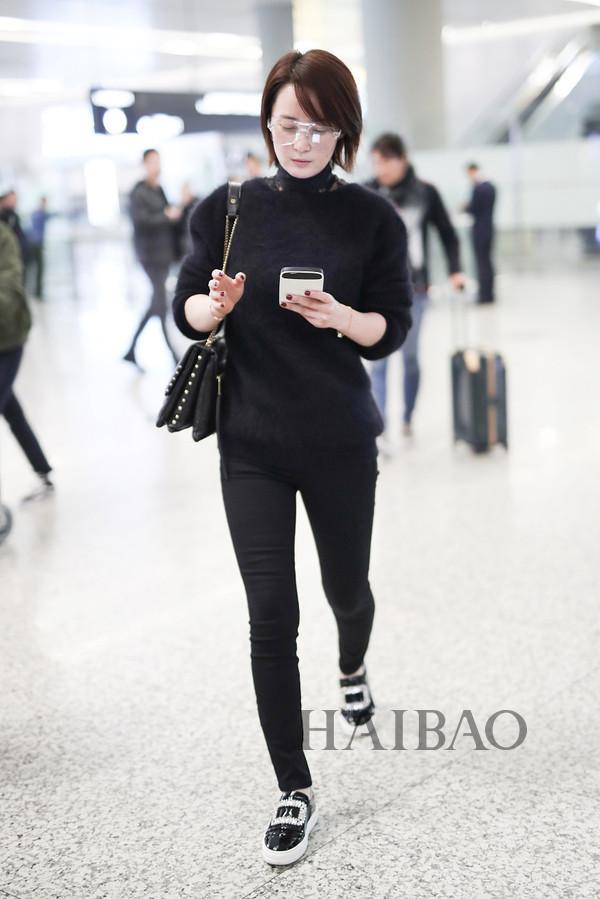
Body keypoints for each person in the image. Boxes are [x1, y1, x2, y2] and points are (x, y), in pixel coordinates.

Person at [172, 49, 412, 866]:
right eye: (286, 125)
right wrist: (215, 305)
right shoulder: (227, 208)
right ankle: (293, 786)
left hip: (340, 439)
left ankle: (353, 662)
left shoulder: (373, 218)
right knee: (271, 612)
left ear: (343, 131)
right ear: (266, 123)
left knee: (348, 589)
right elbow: (184, 306)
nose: (301, 142)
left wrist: (342, 316)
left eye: (318, 128)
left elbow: (391, 328)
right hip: (253, 443)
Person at [365, 134, 464, 439]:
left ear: (403, 159)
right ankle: (380, 423)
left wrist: (455, 271)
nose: (381, 168)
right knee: (378, 360)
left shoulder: (425, 193)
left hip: (415, 289)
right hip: (375, 290)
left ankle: (408, 415)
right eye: (376, 162)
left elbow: (447, 234)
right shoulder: (368, 192)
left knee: (409, 358)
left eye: (386, 161)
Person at [0, 221, 54, 501]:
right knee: (11, 409)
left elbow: (9, 287)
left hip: (8, 338)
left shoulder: (4, 236)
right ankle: (43, 471)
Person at [123, 149, 181, 370]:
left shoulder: (160, 190)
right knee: (160, 304)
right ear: (145, 164)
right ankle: (174, 356)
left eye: (158, 161)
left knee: (156, 304)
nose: (157, 165)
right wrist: (165, 215)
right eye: (152, 162)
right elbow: (141, 221)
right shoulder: (138, 193)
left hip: (164, 253)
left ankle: (130, 351)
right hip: (149, 255)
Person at [464, 162, 497, 303]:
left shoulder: (478, 188)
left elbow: (472, 208)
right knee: (487, 262)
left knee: (481, 263)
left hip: (479, 230)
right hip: (489, 229)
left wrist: (465, 206)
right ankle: (489, 294)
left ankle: (484, 295)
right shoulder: (491, 187)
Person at [0, 189, 29, 276]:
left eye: (15, 200)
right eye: (11, 199)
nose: (14, 202)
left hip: (17, 259)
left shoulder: (13, 216)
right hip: (8, 262)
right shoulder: (4, 217)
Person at [27, 196, 51, 300]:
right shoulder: (40, 213)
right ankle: (37, 292)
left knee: (37, 268)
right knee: (38, 268)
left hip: (36, 243)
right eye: (45, 203)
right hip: (36, 244)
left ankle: (37, 291)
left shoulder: (38, 213)